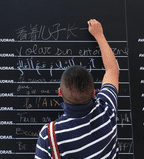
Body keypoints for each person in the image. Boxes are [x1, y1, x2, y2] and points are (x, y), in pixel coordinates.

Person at [35, 19, 120, 158]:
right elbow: (112, 70)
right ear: (94, 93)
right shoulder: (106, 110)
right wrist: (99, 35)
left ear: (60, 92)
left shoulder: (49, 136)